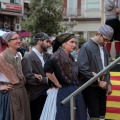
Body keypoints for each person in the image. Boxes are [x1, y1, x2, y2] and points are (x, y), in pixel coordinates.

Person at [40, 33, 87, 120]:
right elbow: (47, 68)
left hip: (72, 90)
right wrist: (56, 83)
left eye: (75, 42)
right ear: (63, 43)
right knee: (64, 115)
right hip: (62, 91)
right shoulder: (57, 56)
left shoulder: (70, 57)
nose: (74, 45)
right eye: (71, 42)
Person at [77, 25, 113, 120]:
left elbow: (106, 67)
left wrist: (109, 83)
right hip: (90, 87)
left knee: (102, 114)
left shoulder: (104, 47)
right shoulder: (86, 47)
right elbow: (82, 68)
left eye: (108, 41)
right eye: (105, 39)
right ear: (99, 34)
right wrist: (98, 81)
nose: (106, 42)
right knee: (94, 115)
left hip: (102, 87)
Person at [0, 31, 31, 120]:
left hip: (21, 91)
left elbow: (19, 72)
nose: (19, 41)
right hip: (10, 94)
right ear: (8, 42)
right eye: (15, 39)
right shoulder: (1, 57)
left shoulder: (19, 55)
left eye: (19, 38)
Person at [22, 32, 51, 120]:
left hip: (47, 93)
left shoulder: (47, 55)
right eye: (47, 41)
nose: (49, 44)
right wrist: (46, 80)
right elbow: (28, 78)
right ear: (39, 42)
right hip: (35, 95)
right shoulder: (28, 57)